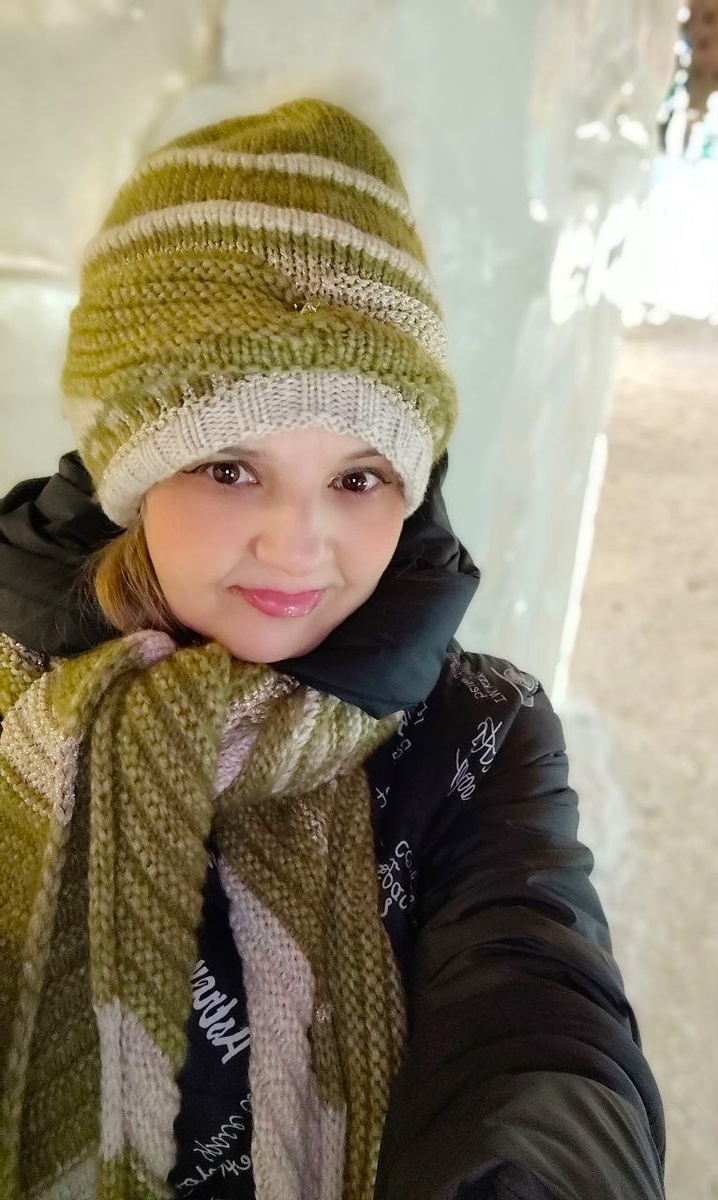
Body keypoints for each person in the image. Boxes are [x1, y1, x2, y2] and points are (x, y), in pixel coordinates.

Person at [0, 99, 665, 1200]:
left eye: (359, 478)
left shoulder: (477, 737)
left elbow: (536, 1008)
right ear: (129, 474)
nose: (299, 544)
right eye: (229, 468)